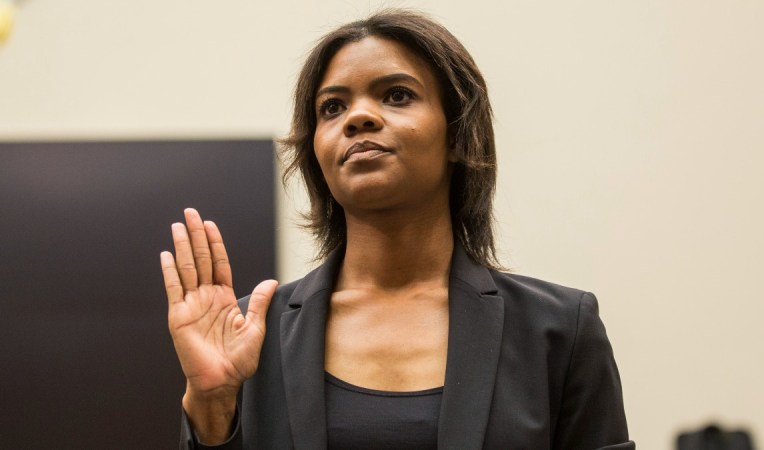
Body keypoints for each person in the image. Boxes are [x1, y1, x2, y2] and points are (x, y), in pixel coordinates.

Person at [161, 9, 634, 450]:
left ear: (457, 134)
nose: (358, 117)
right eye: (332, 107)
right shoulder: (250, 334)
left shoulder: (560, 331)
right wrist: (212, 404)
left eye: (397, 95)